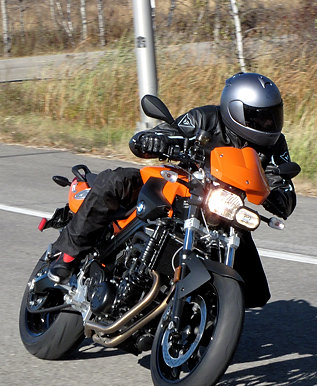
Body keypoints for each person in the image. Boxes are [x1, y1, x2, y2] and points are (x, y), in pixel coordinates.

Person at [47, 72, 297, 308]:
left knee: (254, 292)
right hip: (180, 187)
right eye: (259, 117)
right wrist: (153, 140)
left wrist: (278, 196)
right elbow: (166, 133)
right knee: (115, 181)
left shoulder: (275, 144)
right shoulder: (205, 118)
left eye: (273, 115)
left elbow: (283, 185)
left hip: (223, 208)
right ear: (234, 110)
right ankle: (67, 256)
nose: (268, 123)